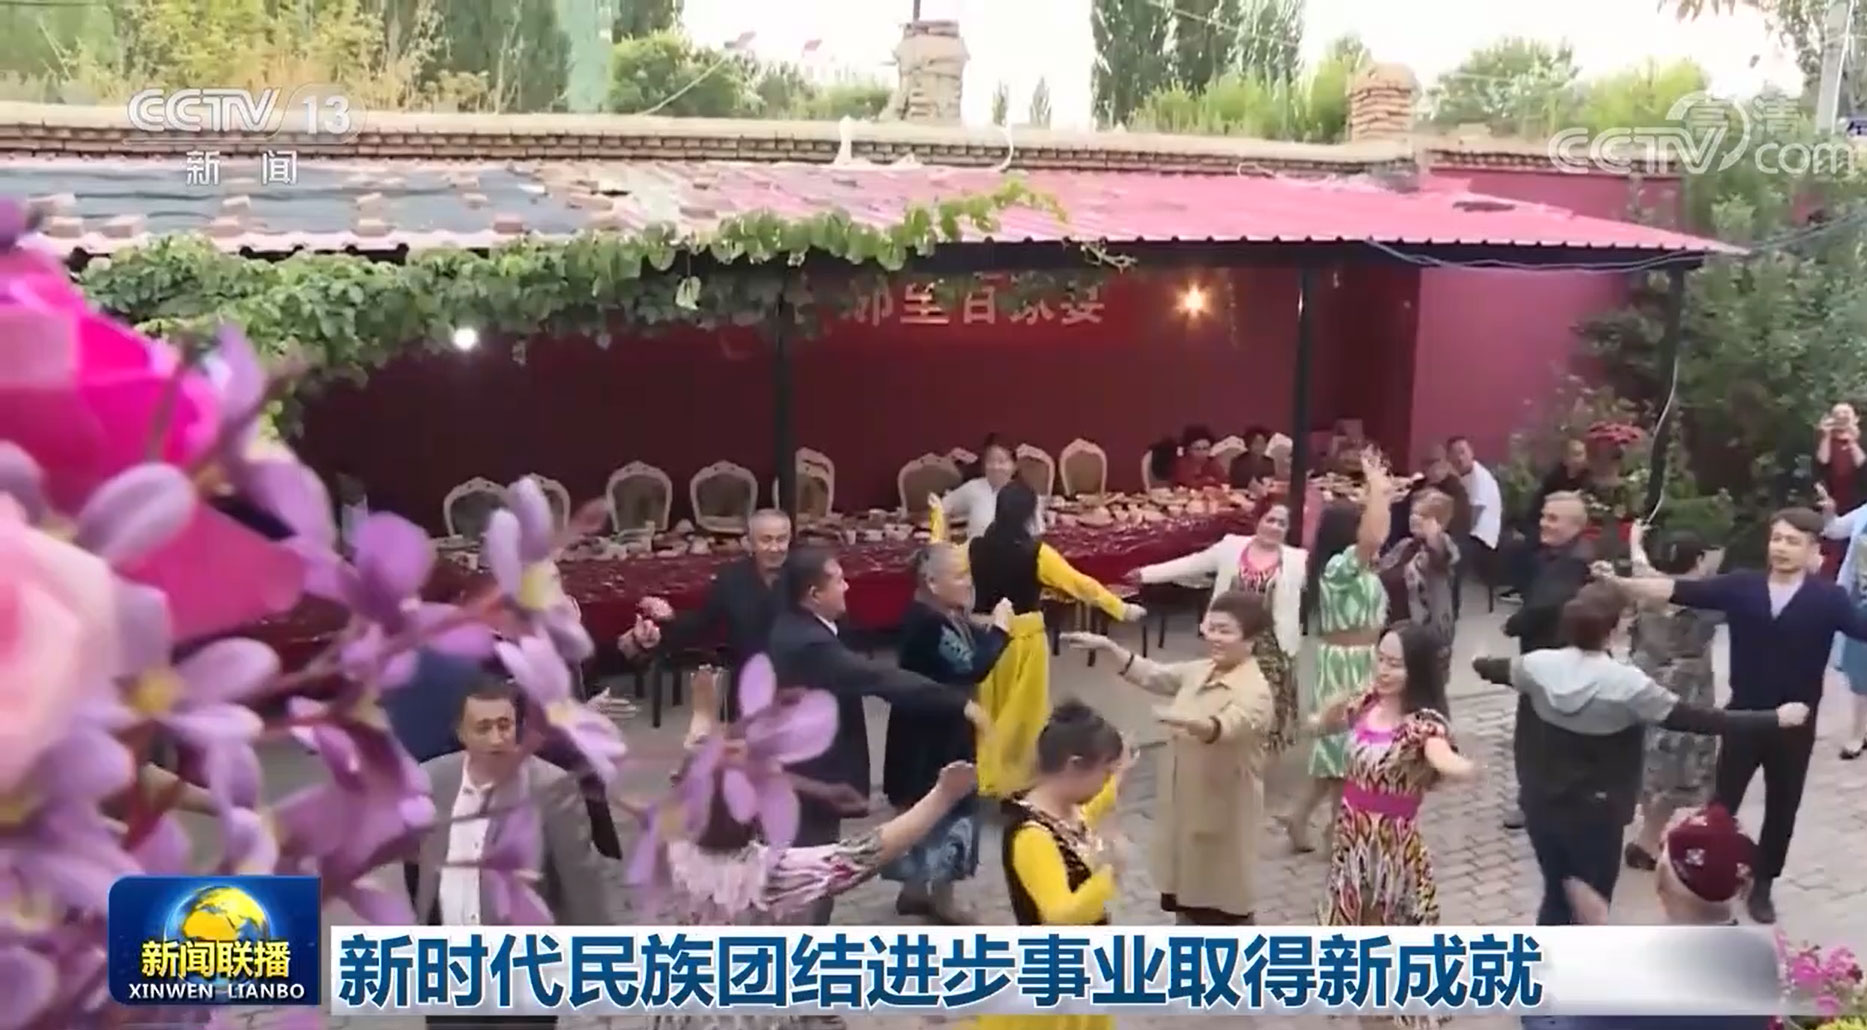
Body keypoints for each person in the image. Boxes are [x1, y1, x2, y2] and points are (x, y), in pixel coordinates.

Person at [652, 670, 980, 1030]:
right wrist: (941, 797)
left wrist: (703, 710)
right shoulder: (767, 876)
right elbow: (866, 853)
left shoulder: (673, 847)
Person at [1474, 583, 1805, 926]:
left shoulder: (1536, 665)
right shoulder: (1628, 685)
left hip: (1541, 803)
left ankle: (1548, 953)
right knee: (1593, 904)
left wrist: (1477, 660)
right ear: (1614, 629)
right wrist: (1774, 718)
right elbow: (1701, 720)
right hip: (1597, 811)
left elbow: (1495, 669)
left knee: (1556, 894)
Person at [1598, 506, 1867, 923]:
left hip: (1796, 722)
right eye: (1776, 538)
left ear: (1814, 548)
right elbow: (1674, 590)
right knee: (1722, 803)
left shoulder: (1828, 599)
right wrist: (1619, 583)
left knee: (1783, 805)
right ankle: (1705, 874)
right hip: (1742, 716)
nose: (1781, 548)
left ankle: (1764, 883)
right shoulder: (1743, 585)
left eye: (1792, 541)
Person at [766, 545, 989, 923]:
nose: (847, 587)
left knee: (814, 874)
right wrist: (960, 703)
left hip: (811, 772)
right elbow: (876, 676)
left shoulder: (808, 628)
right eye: (838, 580)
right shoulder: (808, 642)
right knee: (812, 881)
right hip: (810, 776)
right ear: (814, 594)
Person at [1060, 591, 1277, 925]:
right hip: (1187, 806)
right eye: (1211, 627)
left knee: (1224, 908)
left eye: (1226, 631)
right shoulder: (1202, 670)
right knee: (1187, 901)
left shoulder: (1255, 690)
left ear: (1250, 640)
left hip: (1224, 812)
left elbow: (1231, 725)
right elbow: (1154, 674)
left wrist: (1192, 722)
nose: (1215, 637)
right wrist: (1110, 649)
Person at [404, 682, 611, 1030]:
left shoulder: (550, 788)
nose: (497, 738)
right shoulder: (432, 781)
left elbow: (581, 883)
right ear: (461, 733)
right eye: (483, 728)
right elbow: (419, 868)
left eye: (504, 725)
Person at [936, 480, 1143, 800]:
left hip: (986, 635)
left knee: (990, 709)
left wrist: (938, 518)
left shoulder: (973, 547)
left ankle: (988, 774)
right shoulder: (1037, 553)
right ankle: (1018, 778)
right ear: (1029, 513)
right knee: (1026, 714)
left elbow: (940, 556)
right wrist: (1119, 607)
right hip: (1026, 641)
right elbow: (1080, 584)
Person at [1313, 624, 1474, 1030]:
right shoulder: (1366, 703)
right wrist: (1322, 715)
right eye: (1381, 660)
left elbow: (1441, 756)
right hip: (1351, 849)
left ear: (1416, 670)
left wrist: (1464, 767)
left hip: (1393, 856)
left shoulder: (1424, 724)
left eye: (1395, 664)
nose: (1383, 671)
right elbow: (1327, 722)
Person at [978, 701, 1133, 1030]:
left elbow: (1088, 814)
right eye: (1103, 773)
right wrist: (1111, 872)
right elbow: (1059, 915)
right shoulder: (1033, 837)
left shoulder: (1062, 811)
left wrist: (1117, 777)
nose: (1104, 782)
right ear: (1074, 765)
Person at [881, 542, 1012, 923]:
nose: (968, 582)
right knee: (948, 809)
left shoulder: (938, 613)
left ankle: (913, 890)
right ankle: (942, 900)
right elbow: (973, 665)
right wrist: (1001, 630)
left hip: (920, 730)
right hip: (935, 734)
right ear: (932, 582)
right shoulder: (929, 624)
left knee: (919, 807)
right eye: (959, 575)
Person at [1128, 500, 1306, 755]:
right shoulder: (1231, 547)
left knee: (1269, 701)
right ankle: (1222, 738)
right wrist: (1146, 574)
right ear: (1257, 520)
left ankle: (1263, 753)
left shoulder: (1297, 560)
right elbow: (1192, 564)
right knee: (1226, 691)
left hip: (1272, 645)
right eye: (1270, 520)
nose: (1275, 527)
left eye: (1282, 523)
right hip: (1231, 639)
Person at [1286, 449, 1392, 853]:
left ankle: (1304, 819)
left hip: (1362, 660)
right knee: (1344, 751)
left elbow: (1375, 538)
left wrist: (1379, 493)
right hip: (1345, 665)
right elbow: (1374, 537)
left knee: (1340, 752)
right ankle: (1335, 830)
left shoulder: (1351, 568)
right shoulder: (1338, 568)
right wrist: (1377, 489)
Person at [1622, 523, 1725, 870]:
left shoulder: (1646, 585)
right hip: (1685, 690)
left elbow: (1639, 563)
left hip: (1643, 681)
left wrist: (1635, 539)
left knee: (1648, 758)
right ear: (1699, 559)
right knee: (1678, 767)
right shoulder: (1706, 600)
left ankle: (1649, 833)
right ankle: (1648, 841)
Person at [625, 508, 792, 720]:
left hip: (799, 687)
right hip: (748, 687)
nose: (775, 548)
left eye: (781, 539)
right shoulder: (732, 579)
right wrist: (668, 622)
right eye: (766, 540)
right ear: (750, 543)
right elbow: (703, 623)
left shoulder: (806, 575)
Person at [1497, 491, 1596, 832]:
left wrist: (1513, 624)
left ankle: (1536, 801)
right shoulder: (1555, 553)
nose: (1544, 523)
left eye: (1553, 518)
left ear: (1575, 525)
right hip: (1547, 656)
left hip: (1553, 657)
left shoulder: (1573, 562)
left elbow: (1545, 604)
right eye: (1543, 516)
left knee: (1538, 733)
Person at [1376, 486, 1460, 688]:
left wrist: (1435, 537)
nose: (1414, 518)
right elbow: (1381, 569)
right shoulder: (1405, 546)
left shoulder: (1442, 549)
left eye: (1423, 515)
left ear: (1439, 522)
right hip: (1395, 626)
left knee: (1421, 689)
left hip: (1425, 632)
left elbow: (1444, 558)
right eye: (1413, 513)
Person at [941, 433, 1043, 537]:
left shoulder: (1027, 495)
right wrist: (944, 537)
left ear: (1014, 466)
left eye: (1001, 461)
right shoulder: (974, 488)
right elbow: (941, 507)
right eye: (990, 461)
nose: (995, 467)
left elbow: (1037, 535)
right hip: (977, 547)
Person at [1450, 434, 1503, 604]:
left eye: (1463, 452)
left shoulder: (1480, 478)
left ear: (1471, 452)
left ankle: (1453, 605)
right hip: (1466, 529)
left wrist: (1453, 535)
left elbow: (1474, 516)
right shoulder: (1459, 475)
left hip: (1481, 534)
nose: (1459, 458)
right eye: (1454, 453)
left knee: (1451, 554)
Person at [1817, 403, 1864, 577]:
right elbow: (1822, 463)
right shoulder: (1826, 439)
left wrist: (1852, 440)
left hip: (1858, 499)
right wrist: (1826, 435)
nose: (1841, 416)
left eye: (1846, 413)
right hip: (1832, 500)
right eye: (1837, 413)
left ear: (1856, 418)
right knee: (1832, 542)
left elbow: (1863, 467)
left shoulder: (1862, 440)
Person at [1150, 423, 1228, 489]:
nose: (1201, 452)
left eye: (1205, 448)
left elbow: (1224, 482)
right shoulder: (1181, 463)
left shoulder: (1212, 463)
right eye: (1197, 449)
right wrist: (1206, 481)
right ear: (1188, 449)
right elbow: (1185, 485)